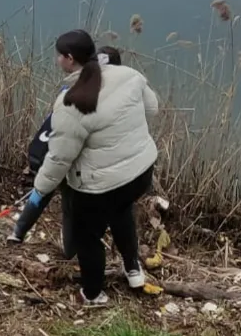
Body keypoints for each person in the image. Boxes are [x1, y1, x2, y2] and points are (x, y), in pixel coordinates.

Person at [31, 30, 158, 307]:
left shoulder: (70, 102)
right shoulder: (129, 76)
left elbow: (59, 158)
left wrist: (39, 190)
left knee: (87, 235)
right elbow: (152, 109)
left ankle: (92, 294)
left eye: (58, 56)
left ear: (69, 59)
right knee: (122, 212)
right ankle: (133, 269)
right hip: (139, 172)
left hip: (101, 184)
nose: (56, 60)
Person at [11, 46, 122, 252]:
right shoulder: (112, 99)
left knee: (43, 192)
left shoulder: (72, 88)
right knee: (67, 204)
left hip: (54, 153)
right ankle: (68, 249)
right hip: (73, 161)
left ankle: (17, 233)